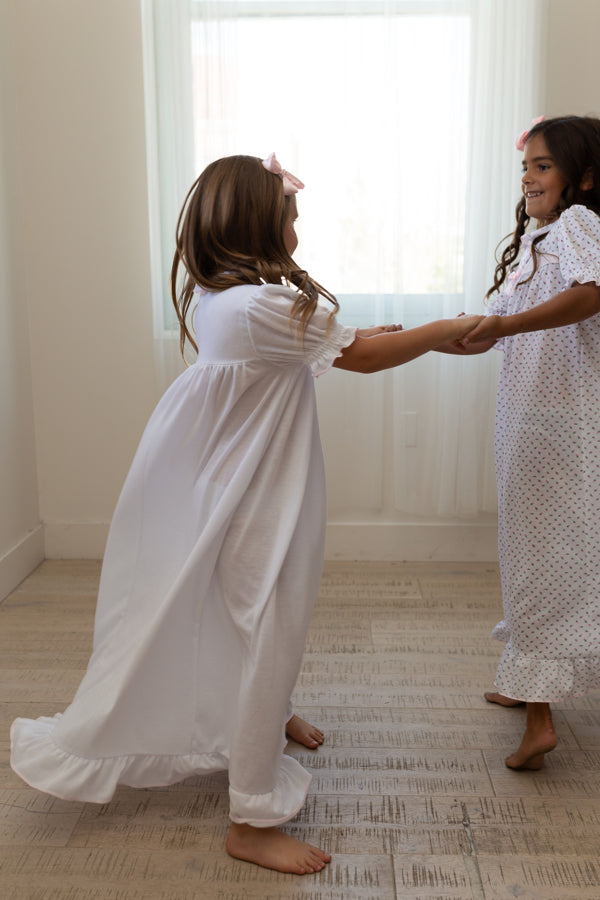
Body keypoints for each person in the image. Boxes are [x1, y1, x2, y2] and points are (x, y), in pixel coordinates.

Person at [10, 153, 482, 874]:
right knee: (270, 619)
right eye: (291, 214)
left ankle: (261, 717)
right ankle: (252, 816)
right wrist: (443, 329)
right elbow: (360, 357)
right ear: (262, 223)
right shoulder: (265, 305)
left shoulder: (226, 297)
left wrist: (400, 332)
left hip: (220, 482)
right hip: (249, 491)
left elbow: (334, 346)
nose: (297, 223)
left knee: (248, 612)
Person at [461, 115, 600, 770]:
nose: (529, 178)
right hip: (532, 420)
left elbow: (591, 295)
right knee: (527, 547)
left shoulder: (576, 226)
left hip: (555, 423)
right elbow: (514, 319)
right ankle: (524, 683)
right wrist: (486, 325)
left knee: (540, 555)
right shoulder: (541, 238)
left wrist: (504, 327)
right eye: (527, 167)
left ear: (584, 178)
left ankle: (540, 716)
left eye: (543, 166)